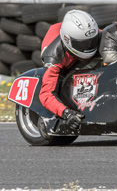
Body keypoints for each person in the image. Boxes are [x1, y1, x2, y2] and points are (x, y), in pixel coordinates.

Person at [38, 10, 100, 138]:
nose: (88, 47)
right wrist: (66, 113)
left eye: (91, 42)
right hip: (64, 64)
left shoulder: (95, 34)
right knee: (59, 85)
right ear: (68, 40)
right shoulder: (53, 56)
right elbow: (46, 94)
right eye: (83, 43)